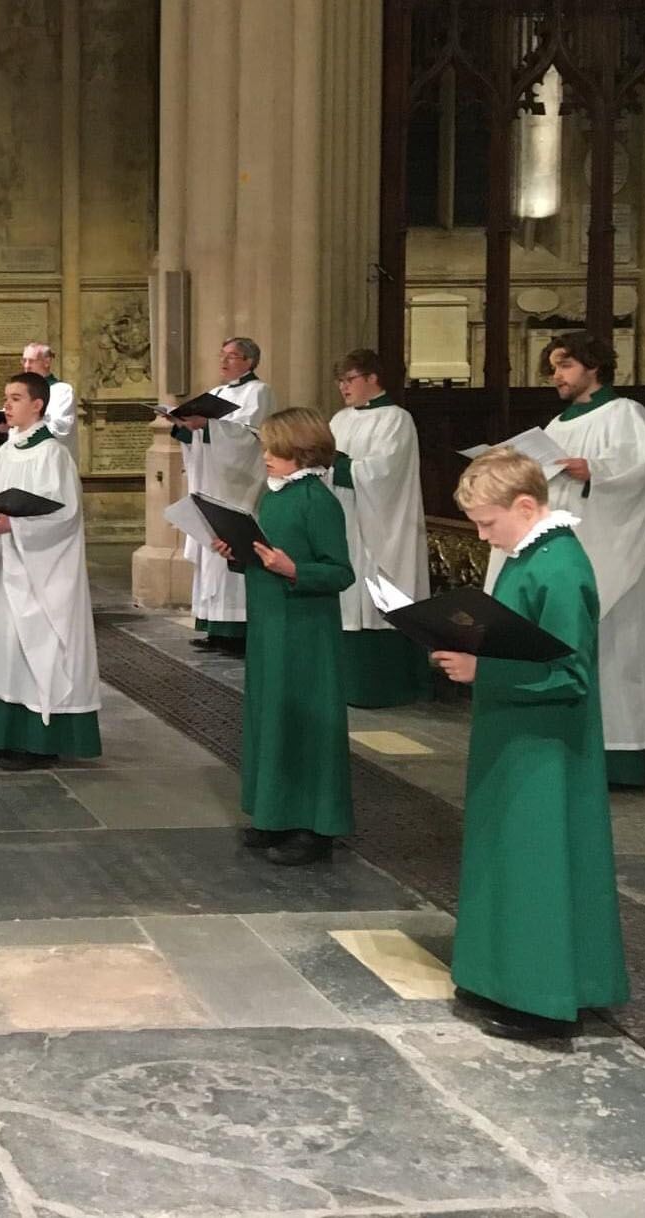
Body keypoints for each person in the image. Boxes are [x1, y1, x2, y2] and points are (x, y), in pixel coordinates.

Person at [431, 448, 628, 1040]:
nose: (482, 536)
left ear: (525, 506)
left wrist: (482, 670)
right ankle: (498, 975)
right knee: (505, 853)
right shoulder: (526, 556)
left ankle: (543, 1000)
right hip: (511, 729)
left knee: (539, 861)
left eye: (487, 523)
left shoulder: (560, 568)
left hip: (545, 743)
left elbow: (570, 675)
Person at [535, 330, 645, 788]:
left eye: (565, 366)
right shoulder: (556, 426)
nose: (556, 376)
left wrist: (593, 470)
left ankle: (619, 755)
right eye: (554, 368)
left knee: (615, 646)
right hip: (565, 547)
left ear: (593, 366)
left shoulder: (625, 414)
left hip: (613, 548)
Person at [217, 408, 356, 866]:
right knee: (271, 716)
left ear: (301, 450)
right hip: (270, 623)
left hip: (305, 631)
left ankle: (313, 827)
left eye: (273, 448)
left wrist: (295, 569)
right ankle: (274, 813)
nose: (265, 456)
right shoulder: (276, 495)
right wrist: (238, 552)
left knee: (303, 722)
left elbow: (340, 572)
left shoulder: (317, 500)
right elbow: (266, 553)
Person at [0, 372, 101, 768]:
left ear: (37, 405)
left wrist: (16, 526)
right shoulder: (7, 451)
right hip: (5, 564)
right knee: (6, 648)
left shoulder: (53, 454)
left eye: (15, 398)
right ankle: (6, 735)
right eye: (6, 397)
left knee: (37, 649)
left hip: (40, 573)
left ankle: (39, 742)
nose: (6, 405)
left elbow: (65, 515)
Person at [329, 349, 432, 707]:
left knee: (378, 595)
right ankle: (346, 684)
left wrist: (341, 466)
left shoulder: (396, 419)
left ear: (372, 378)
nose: (343, 387)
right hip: (345, 518)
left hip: (383, 525)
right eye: (340, 381)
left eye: (350, 379)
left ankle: (384, 687)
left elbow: (385, 471)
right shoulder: (339, 420)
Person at [173, 337, 277, 655]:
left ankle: (237, 633)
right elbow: (204, 437)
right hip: (212, 482)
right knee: (212, 557)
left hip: (237, 487)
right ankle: (213, 628)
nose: (224, 361)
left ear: (249, 361)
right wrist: (184, 428)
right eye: (222, 355)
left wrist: (209, 427)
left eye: (232, 356)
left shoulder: (259, 392)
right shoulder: (216, 394)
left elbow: (250, 437)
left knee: (232, 552)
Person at [0, 343, 79, 447]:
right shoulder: (19, 391)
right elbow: (9, 434)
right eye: (24, 361)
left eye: (31, 361)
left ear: (47, 362)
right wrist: (2, 430)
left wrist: (25, 423)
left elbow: (61, 427)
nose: (26, 366)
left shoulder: (62, 391)